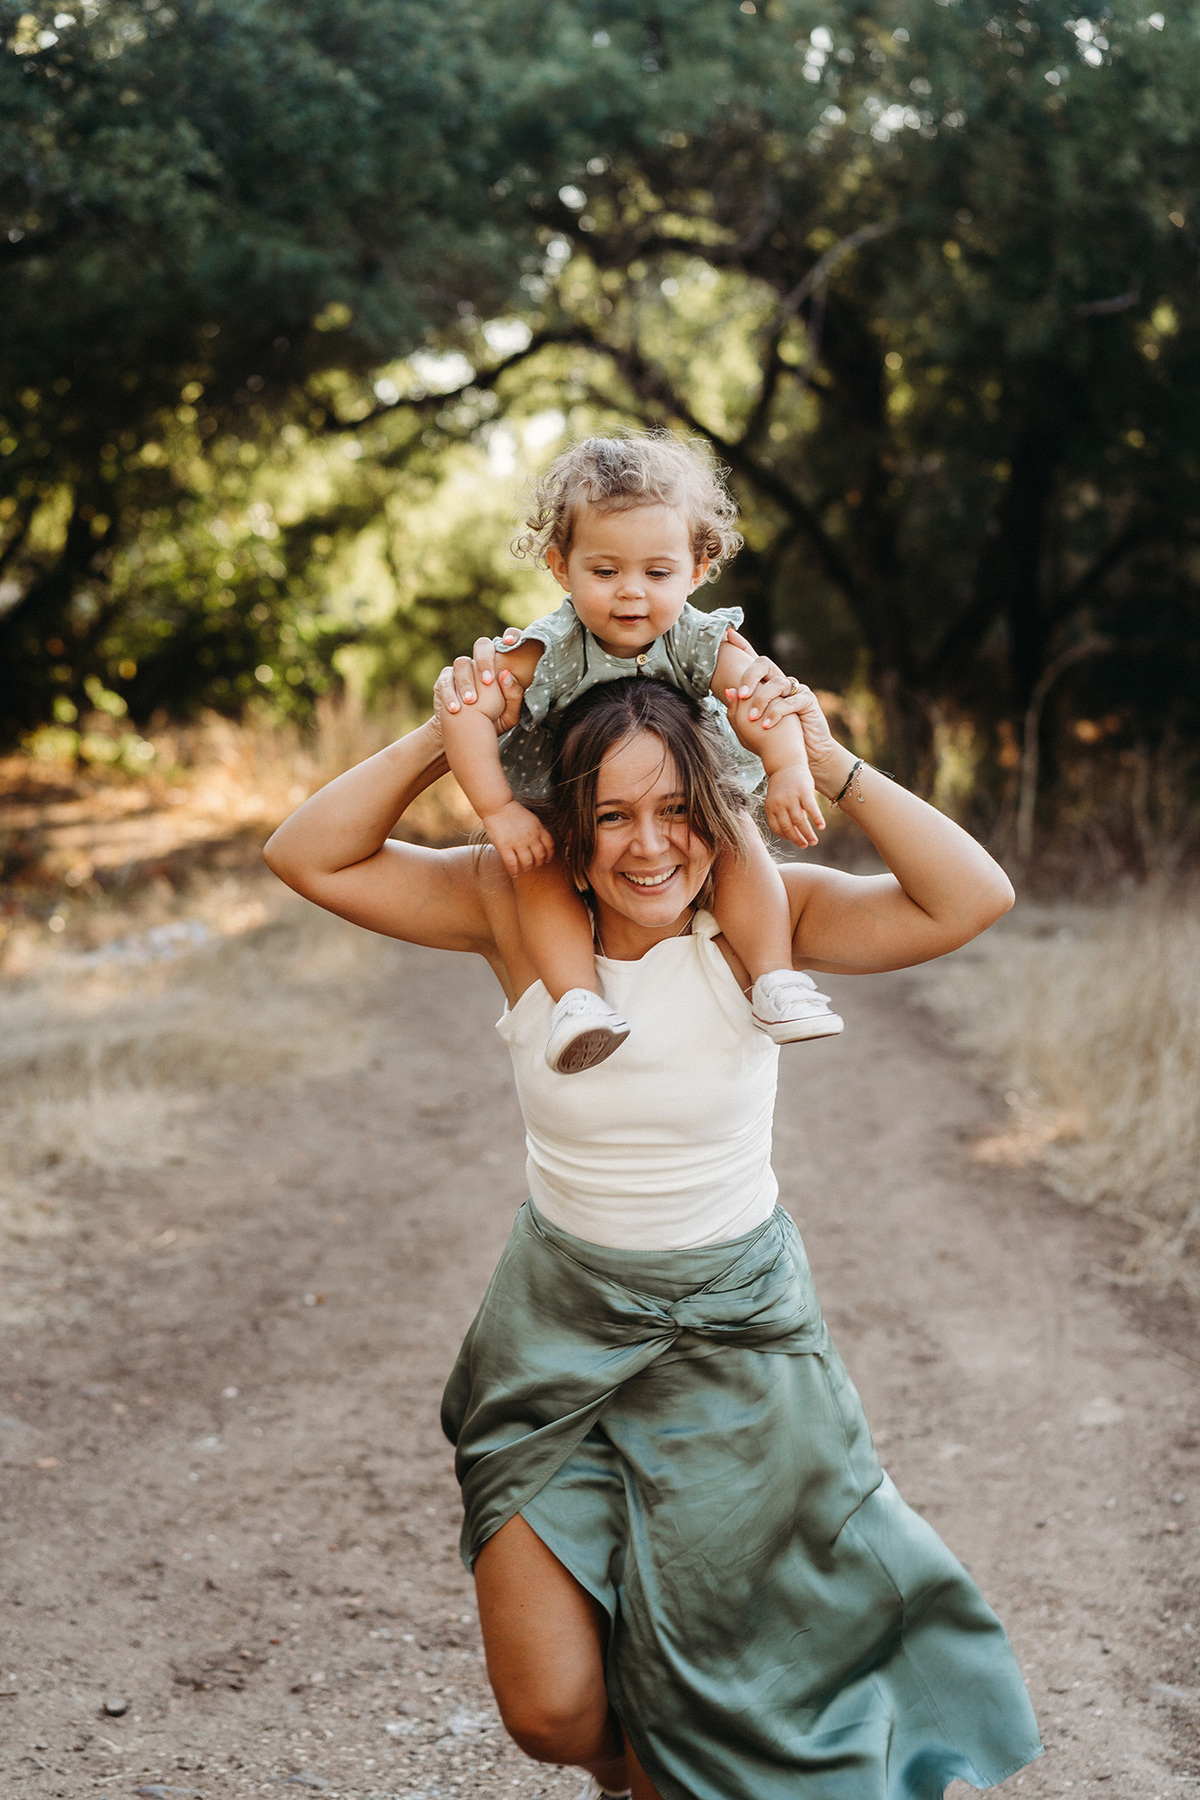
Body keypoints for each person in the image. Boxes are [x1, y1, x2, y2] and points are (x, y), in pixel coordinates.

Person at [263, 658, 1042, 1800]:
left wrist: (827, 762)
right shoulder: (513, 906)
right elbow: (307, 855)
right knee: (550, 1711)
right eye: (613, 815)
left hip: (740, 1346)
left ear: (716, 809)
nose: (649, 847)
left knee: (712, 1711)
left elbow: (972, 897)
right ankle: (626, 1772)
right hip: (558, 1336)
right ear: (568, 825)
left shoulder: (763, 921)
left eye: (678, 808)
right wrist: (454, 735)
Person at [438, 432, 843, 1074]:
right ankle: (577, 1001)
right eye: (605, 572)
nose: (631, 592)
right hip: (565, 795)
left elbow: (760, 698)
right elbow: (464, 713)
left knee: (735, 835)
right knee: (537, 866)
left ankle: (773, 979)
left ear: (697, 570)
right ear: (560, 567)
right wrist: (498, 810)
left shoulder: (698, 638)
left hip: (687, 788)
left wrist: (789, 766)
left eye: (657, 573)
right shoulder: (551, 645)